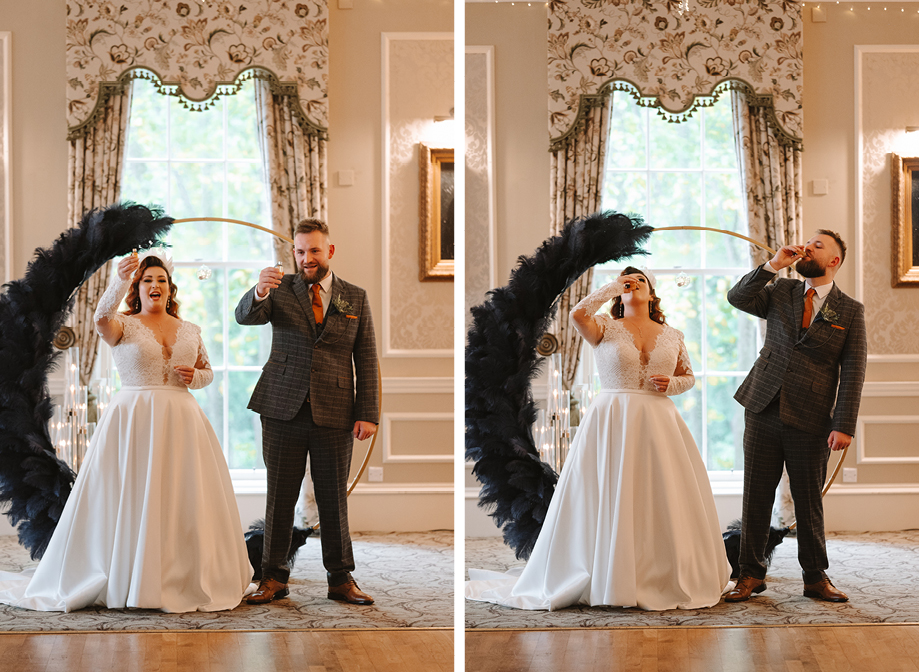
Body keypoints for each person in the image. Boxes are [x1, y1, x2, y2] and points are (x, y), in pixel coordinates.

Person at [0, 250, 253, 612]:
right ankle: (129, 574)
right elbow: (100, 317)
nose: (155, 285)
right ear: (138, 287)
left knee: (181, 495)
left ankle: (179, 575)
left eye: (161, 280)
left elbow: (207, 371)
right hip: (133, 419)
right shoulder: (122, 324)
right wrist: (119, 279)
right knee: (132, 492)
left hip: (182, 419)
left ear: (170, 288)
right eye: (147, 280)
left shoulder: (190, 330)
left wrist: (195, 377)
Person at [465, 267, 731, 611]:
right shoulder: (604, 326)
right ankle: (607, 573)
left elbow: (688, 376)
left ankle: (661, 572)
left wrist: (673, 384)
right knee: (608, 491)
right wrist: (611, 288)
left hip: (659, 421)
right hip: (611, 418)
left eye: (641, 281)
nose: (633, 284)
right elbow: (578, 314)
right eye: (627, 281)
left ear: (652, 294)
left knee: (659, 494)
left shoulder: (673, 334)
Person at [235, 218, 379, 605]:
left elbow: (365, 358)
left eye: (314, 250)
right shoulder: (279, 290)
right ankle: (273, 577)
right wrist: (259, 290)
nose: (306, 258)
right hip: (281, 407)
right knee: (279, 496)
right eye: (300, 251)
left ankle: (340, 579)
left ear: (329, 251)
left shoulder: (355, 297)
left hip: (335, 410)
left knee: (333, 499)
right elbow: (244, 316)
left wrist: (368, 412)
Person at [725, 231, 867, 603]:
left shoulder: (850, 310)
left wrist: (844, 424)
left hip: (812, 417)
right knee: (756, 494)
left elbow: (853, 369)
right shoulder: (780, 290)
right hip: (762, 406)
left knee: (808, 500)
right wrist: (773, 265)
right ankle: (750, 575)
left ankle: (815, 578)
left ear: (834, 261)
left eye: (819, 245)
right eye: (808, 241)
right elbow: (736, 297)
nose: (808, 246)